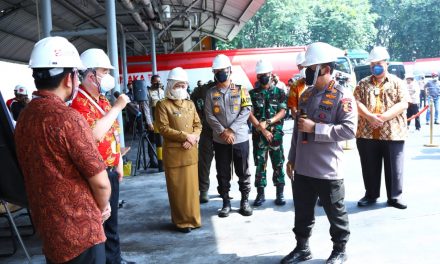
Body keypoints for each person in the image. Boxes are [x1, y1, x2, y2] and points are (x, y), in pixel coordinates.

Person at [15, 36, 111, 264]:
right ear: (70, 78)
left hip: (50, 232)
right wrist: (102, 207)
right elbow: (101, 182)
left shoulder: (24, 118)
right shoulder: (68, 119)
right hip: (82, 234)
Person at [281, 42, 357, 264]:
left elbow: (349, 130)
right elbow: (297, 130)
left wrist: (317, 128)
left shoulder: (343, 96)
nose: (307, 71)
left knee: (336, 213)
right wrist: (291, 159)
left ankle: (340, 250)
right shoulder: (305, 95)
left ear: (325, 68)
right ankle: (302, 248)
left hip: (327, 169)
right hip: (303, 167)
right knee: (302, 212)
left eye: (311, 67)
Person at [70, 48, 135, 264]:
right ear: (90, 76)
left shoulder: (103, 100)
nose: (108, 78)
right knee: (101, 223)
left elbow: (113, 133)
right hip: (94, 175)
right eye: (104, 72)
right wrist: (118, 107)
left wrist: (117, 161)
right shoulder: (79, 103)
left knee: (112, 223)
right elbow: (94, 135)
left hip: (109, 171)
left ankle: (114, 259)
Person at [354, 46, 408, 210]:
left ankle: (394, 197)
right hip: (366, 132)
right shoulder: (362, 83)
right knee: (369, 166)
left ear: (387, 64)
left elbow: (403, 103)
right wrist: (370, 117)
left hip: (392, 133)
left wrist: (383, 117)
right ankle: (371, 194)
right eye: (372, 65)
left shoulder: (398, 82)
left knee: (394, 167)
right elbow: (356, 102)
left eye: (378, 63)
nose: (375, 67)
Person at [205, 54, 253, 218]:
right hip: (220, 140)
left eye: (223, 70)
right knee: (222, 172)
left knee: (243, 171)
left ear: (230, 71)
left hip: (240, 138)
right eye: (217, 71)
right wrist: (223, 132)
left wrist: (231, 130)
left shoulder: (241, 90)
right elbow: (209, 115)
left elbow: (246, 111)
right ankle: (225, 202)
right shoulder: (211, 93)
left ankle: (244, 201)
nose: (220, 73)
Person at [155, 67, 202, 233]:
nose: (181, 88)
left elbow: (198, 124)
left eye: (183, 85)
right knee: (178, 191)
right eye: (177, 85)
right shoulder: (162, 105)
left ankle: (194, 219)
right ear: (170, 86)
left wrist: (194, 137)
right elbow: (163, 128)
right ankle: (182, 222)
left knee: (191, 191)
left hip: (190, 152)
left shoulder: (190, 104)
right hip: (175, 155)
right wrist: (185, 136)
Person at [249, 59, 287, 207]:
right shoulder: (252, 93)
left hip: (276, 135)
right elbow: (249, 114)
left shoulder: (279, 92)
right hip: (259, 136)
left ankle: (280, 193)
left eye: (266, 74)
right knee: (260, 164)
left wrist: (269, 123)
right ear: (257, 77)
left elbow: (283, 111)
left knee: (278, 163)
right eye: (260, 75)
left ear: (271, 74)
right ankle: (260, 194)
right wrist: (263, 129)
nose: (263, 77)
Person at [191, 78, 217, 203]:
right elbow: (191, 102)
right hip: (207, 130)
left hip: (223, 132)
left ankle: (224, 190)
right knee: (204, 162)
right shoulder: (203, 90)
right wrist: (199, 116)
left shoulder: (230, 88)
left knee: (224, 163)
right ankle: (204, 190)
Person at [147, 74, 165, 169]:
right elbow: (147, 109)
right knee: (152, 141)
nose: (158, 83)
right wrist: (149, 122)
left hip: (162, 121)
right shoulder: (148, 92)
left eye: (159, 81)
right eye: (155, 81)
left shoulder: (162, 92)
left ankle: (163, 161)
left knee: (162, 142)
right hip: (153, 121)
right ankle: (153, 161)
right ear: (151, 82)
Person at [287, 52, 307, 118]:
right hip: (301, 122)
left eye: (306, 66)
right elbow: (293, 110)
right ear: (298, 67)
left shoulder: (319, 83)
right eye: (301, 67)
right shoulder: (295, 85)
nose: (304, 69)